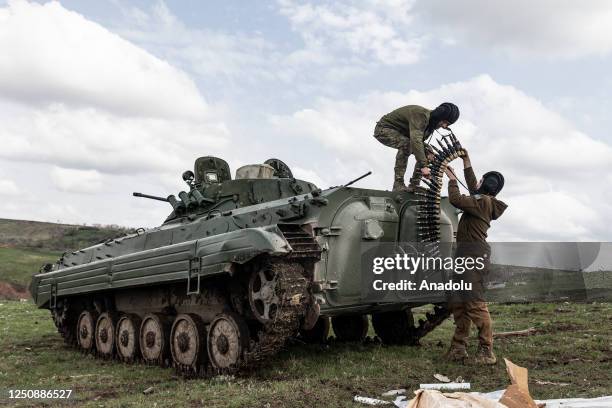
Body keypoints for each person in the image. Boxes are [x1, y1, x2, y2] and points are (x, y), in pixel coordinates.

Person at [443, 151, 507, 364]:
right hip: (466, 255)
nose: (476, 181)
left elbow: (455, 199)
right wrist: (465, 161)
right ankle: (458, 348)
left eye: (480, 180)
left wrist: (452, 180)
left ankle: (486, 351)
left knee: (474, 303)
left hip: (473, 255)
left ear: (485, 185)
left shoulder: (481, 202)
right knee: (460, 303)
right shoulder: (483, 200)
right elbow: (473, 186)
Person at [374, 102, 460, 192]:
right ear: (438, 116)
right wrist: (424, 166)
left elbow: (420, 145)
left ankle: (415, 185)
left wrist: (438, 161)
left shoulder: (431, 124)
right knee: (407, 145)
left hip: (403, 134)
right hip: (384, 129)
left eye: (448, 124)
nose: (444, 126)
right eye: (444, 122)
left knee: (428, 151)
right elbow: (416, 141)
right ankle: (398, 184)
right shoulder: (421, 116)